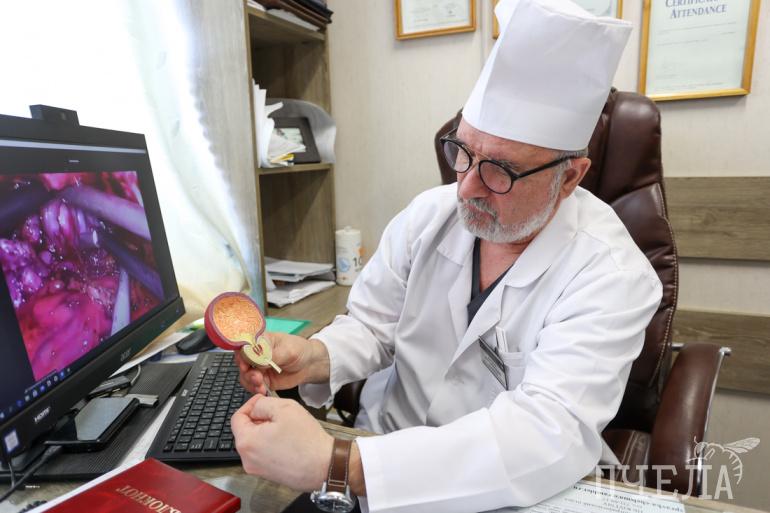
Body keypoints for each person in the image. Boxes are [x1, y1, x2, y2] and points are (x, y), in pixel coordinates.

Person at [230, 0, 662, 511]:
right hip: (378, 455)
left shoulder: (612, 275)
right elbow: (373, 327)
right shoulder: (428, 216)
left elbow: (546, 435)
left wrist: (340, 463)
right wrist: (314, 356)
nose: (466, 187)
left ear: (569, 177)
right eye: (464, 152)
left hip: (499, 498)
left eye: (500, 170)